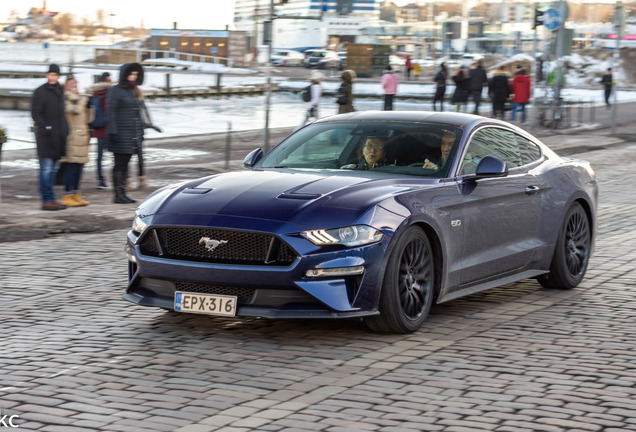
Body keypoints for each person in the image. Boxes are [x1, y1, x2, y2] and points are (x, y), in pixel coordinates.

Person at [31, 64, 69, 211]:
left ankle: (52, 198)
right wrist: (45, 126)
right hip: (46, 137)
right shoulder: (40, 91)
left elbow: (61, 114)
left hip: (59, 137)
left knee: (54, 169)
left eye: (55, 74)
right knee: (46, 169)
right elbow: (35, 112)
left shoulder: (60, 91)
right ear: (47, 75)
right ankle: (46, 199)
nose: (52, 77)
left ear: (58, 76)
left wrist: (65, 130)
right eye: (50, 74)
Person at [107, 62, 145, 204]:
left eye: (135, 74)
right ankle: (117, 194)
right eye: (130, 74)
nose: (133, 77)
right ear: (124, 75)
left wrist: (140, 133)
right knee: (119, 164)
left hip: (131, 135)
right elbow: (110, 112)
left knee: (125, 164)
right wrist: (113, 133)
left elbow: (137, 114)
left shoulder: (132, 90)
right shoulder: (115, 90)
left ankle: (123, 192)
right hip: (119, 135)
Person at [59, 77, 92, 207]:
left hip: (82, 138)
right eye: (73, 86)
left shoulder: (79, 99)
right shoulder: (66, 99)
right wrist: (83, 100)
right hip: (72, 138)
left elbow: (89, 119)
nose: (76, 89)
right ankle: (67, 195)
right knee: (71, 168)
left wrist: (90, 107)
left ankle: (76, 194)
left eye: (76, 86)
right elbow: (75, 110)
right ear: (68, 87)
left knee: (79, 168)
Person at [87, 72, 112, 189]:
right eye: (110, 80)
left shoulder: (94, 94)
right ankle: (117, 179)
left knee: (99, 156)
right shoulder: (109, 94)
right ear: (106, 82)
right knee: (117, 155)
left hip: (98, 129)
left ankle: (100, 179)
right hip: (109, 129)